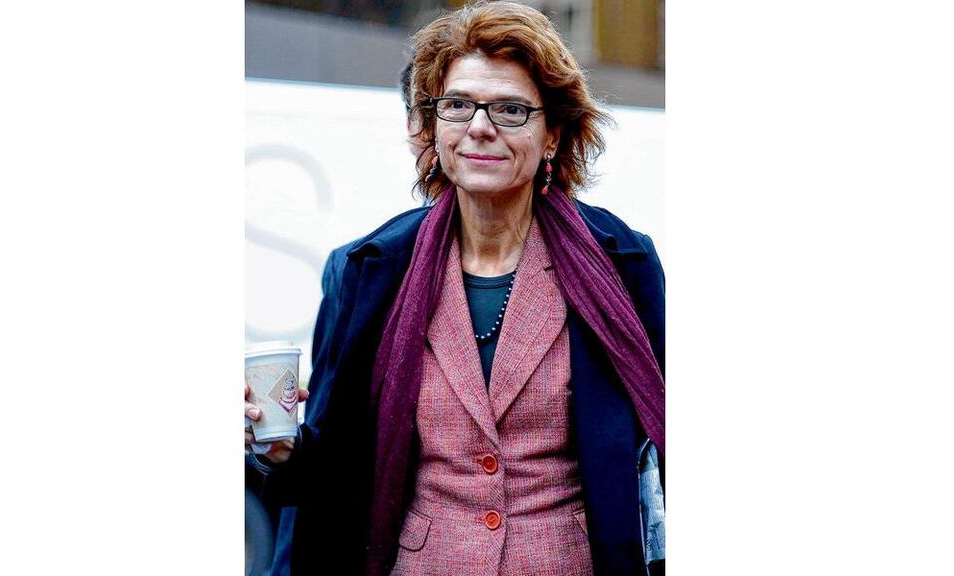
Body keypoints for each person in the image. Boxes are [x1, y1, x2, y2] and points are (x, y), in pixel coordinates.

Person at [246, 2, 666, 575]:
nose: (480, 126)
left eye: (511, 109)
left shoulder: (622, 260)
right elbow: (338, 465)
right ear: (434, 125)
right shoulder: (375, 268)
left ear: (553, 136)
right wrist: (279, 449)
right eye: (458, 105)